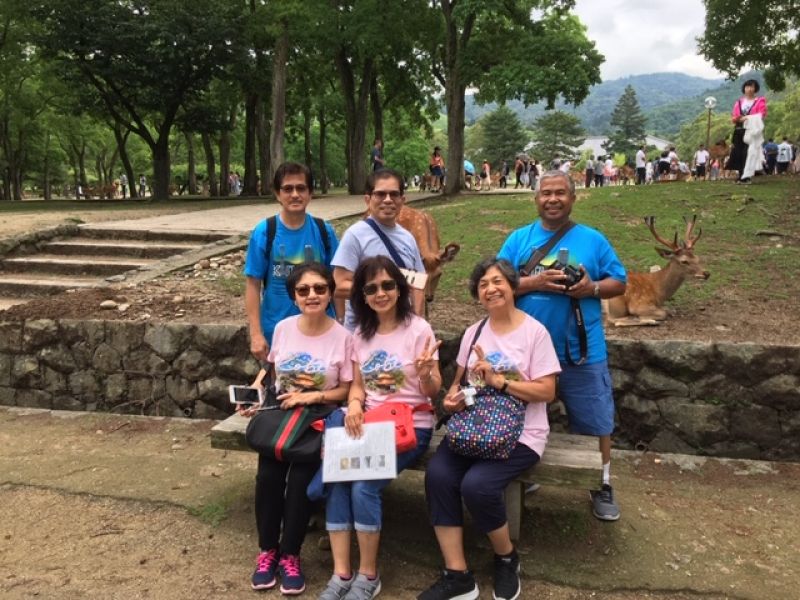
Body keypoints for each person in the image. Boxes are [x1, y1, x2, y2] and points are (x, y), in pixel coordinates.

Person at [418, 258, 560, 600]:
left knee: (478, 485)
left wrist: (500, 382)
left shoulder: (534, 333)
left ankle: (507, 557)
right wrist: (451, 400)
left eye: (497, 281)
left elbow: (547, 391)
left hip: (522, 433)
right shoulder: (475, 332)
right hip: (473, 427)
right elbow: (457, 385)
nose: (491, 288)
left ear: (512, 286)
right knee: (438, 474)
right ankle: (458, 574)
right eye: (483, 284)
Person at [497, 170, 627, 521]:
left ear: (573, 197)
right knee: (519, 421)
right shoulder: (518, 239)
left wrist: (591, 288)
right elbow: (496, 285)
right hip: (526, 354)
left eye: (560, 193)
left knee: (596, 421)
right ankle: (522, 476)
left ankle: (601, 482)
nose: (552, 199)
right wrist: (535, 281)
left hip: (580, 351)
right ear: (535, 198)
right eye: (546, 193)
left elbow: (619, 282)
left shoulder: (593, 240)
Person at [318, 256, 442, 600]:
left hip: (410, 426)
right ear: (363, 295)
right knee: (338, 482)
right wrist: (355, 404)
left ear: (399, 289)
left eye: (388, 285)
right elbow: (358, 386)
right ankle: (341, 573)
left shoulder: (419, 329)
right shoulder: (360, 334)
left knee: (363, 487)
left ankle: (368, 575)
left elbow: (433, 392)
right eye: (371, 288)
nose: (380, 293)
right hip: (369, 425)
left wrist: (426, 372)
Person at [240, 263, 353, 595]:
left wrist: (313, 394)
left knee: (301, 483)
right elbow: (272, 369)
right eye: (303, 290)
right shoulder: (285, 328)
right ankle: (267, 552)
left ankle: (291, 554)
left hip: (315, 418)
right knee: (268, 478)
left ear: (330, 293)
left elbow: (346, 390)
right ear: (294, 296)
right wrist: (254, 393)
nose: (312, 295)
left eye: (319, 288)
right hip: (280, 414)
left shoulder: (343, 337)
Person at [243, 161, 340, 363]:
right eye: (288, 189)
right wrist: (256, 334)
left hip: (322, 328)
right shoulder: (264, 232)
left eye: (301, 188)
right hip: (277, 331)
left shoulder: (324, 231)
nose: (295, 194)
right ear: (278, 194)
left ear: (310, 193)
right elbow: (253, 285)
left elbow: (336, 282)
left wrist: (341, 323)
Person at [331, 168, 426, 331]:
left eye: (394, 194)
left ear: (402, 200)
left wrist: (417, 322)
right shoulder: (355, 235)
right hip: (364, 330)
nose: (388, 200)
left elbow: (418, 283)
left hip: (401, 328)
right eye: (380, 194)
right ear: (368, 199)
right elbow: (340, 286)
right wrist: (383, 291)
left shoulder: (408, 238)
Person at [726, 78, 767, 184]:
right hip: (739, 129)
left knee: (748, 153)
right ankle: (741, 175)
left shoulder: (759, 101)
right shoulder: (739, 102)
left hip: (751, 130)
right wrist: (737, 119)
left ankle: (746, 177)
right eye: (747, 86)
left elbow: (761, 114)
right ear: (744, 88)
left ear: (755, 89)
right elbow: (734, 117)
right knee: (738, 152)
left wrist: (747, 118)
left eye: (751, 86)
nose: (749, 89)